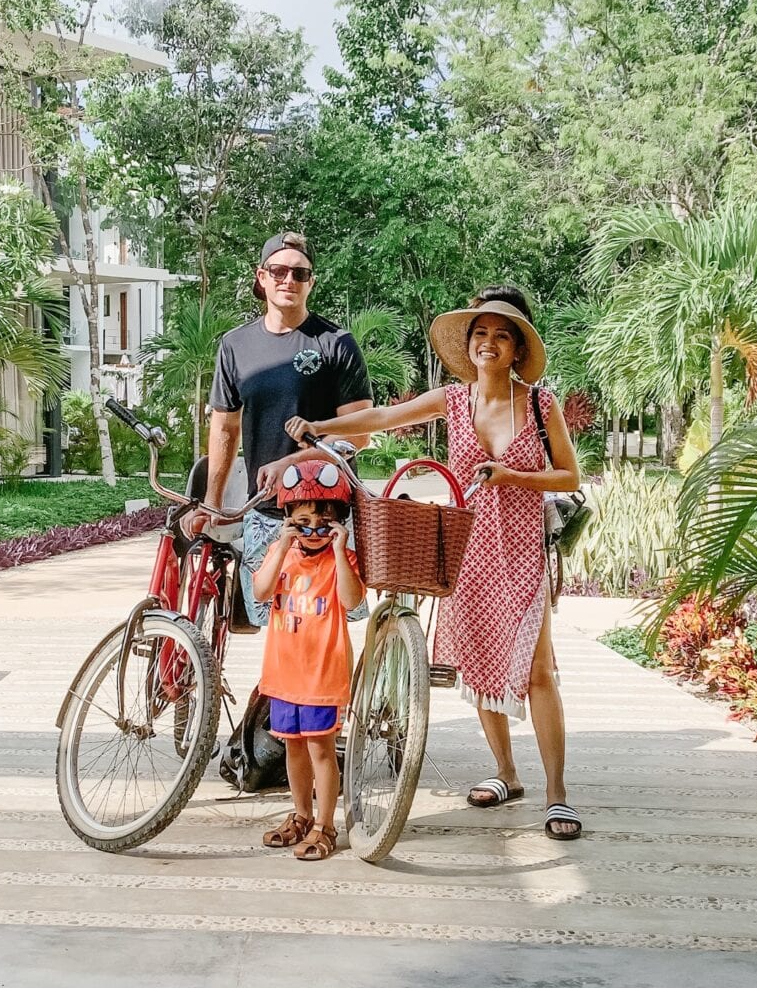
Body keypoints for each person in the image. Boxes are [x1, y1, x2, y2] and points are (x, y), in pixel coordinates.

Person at [286, 283, 584, 840]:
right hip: (468, 548)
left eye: (501, 335)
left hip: (521, 550)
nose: (488, 342)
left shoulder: (540, 405)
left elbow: (570, 477)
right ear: (469, 345)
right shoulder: (452, 400)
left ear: (518, 349)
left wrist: (512, 476)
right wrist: (322, 429)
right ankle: (505, 773)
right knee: (477, 660)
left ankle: (557, 794)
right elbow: (380, 418)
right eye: (480, 333)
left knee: (537, 670)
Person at [200, 231, 372, 626]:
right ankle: (278, 689)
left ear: (312, 281)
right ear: (262, 278)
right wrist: (212, 500)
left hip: (328, 514)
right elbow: (225, 428)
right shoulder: (235, 345)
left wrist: (292, 463)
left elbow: (358, 432)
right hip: (265, 512)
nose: (288, 280)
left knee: (330, 621)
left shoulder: (336, 343)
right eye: (278, 271)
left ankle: (333, 690)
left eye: (300, 273)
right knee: (273, 620)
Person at [253, 456, 364, 861]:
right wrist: (283, 545)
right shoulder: (280, 553)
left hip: (322, 675)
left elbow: (352, 600)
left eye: (323, 525)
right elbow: (262, 592)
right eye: (303, 524)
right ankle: (301, 815)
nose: (313, 532)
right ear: (287, 520)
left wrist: (338, 550)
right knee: (293, 748)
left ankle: (326, 824)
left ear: (338, 524)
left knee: (320, 749)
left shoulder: (341, 561)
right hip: (285, 674)